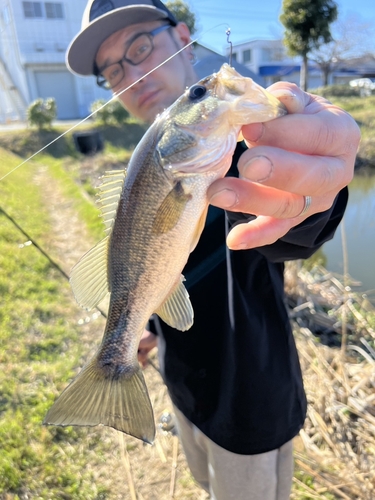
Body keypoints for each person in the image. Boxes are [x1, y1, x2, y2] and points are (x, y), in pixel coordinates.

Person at [66, 1, 360, 498]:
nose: (133, 75)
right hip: (181, 385)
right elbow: (154, 265)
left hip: (252, 404)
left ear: (183, 37)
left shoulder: (243, 148)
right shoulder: (153, 156)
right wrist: (145, 326)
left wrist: (317, 196)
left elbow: (293, 232)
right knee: (205, 485)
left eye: (140, 47)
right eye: (111, 70)